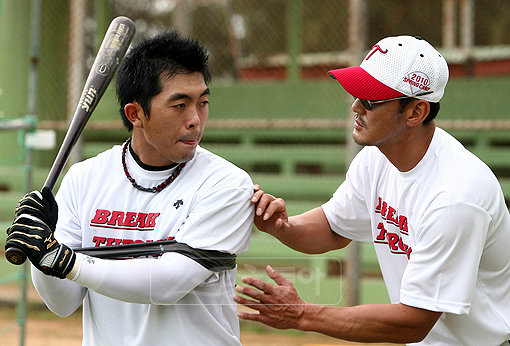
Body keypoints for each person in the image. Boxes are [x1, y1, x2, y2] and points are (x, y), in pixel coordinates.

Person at [234, 35, 510, 345]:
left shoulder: (455, 197)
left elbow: (413, 322)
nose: (355, 106)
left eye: (371, 99)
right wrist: (283, 226)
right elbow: (333, 228)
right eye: (356, 93)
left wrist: (302, 314)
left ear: (415, 112)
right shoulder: (376, 160)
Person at [5, 30, 254, 345]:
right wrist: (41, 254)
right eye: (180, 105)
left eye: (202, 103)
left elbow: (168, 284)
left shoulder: (226, 184)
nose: (195, 120)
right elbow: (62, 302)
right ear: (135, 114)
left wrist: (65, 260)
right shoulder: (84, 178)